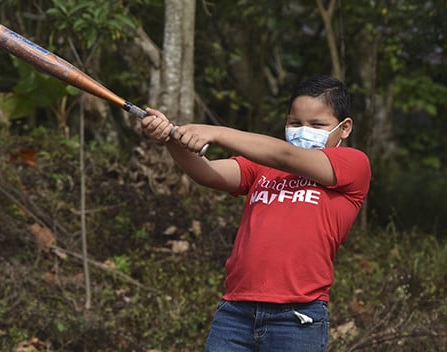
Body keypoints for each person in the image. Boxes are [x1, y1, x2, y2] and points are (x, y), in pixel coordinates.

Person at [140, 75, 371, 352]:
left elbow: (286, 156)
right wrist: (171, 139)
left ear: (344, 128)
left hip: (297, 317)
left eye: (317, 125)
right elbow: (207, 173)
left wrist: (216, 132)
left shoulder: (353, 164)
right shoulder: (262, 168)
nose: (303, 131)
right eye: (295, 123)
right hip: (235, 312)